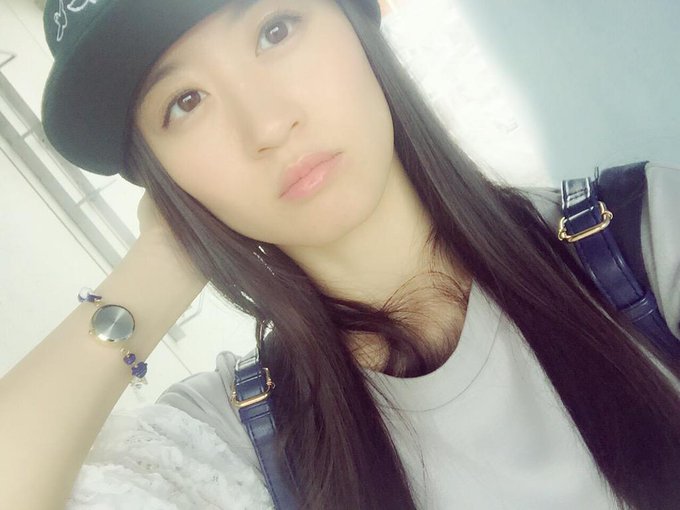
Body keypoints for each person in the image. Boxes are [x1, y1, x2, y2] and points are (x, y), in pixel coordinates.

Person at [1, 0, 679, 509]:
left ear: (359, 20)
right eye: (185, 102)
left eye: (275, 30)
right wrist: (159, 262)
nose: (268, 125)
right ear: (165, 177)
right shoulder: (239, 444)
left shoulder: (642, 239)